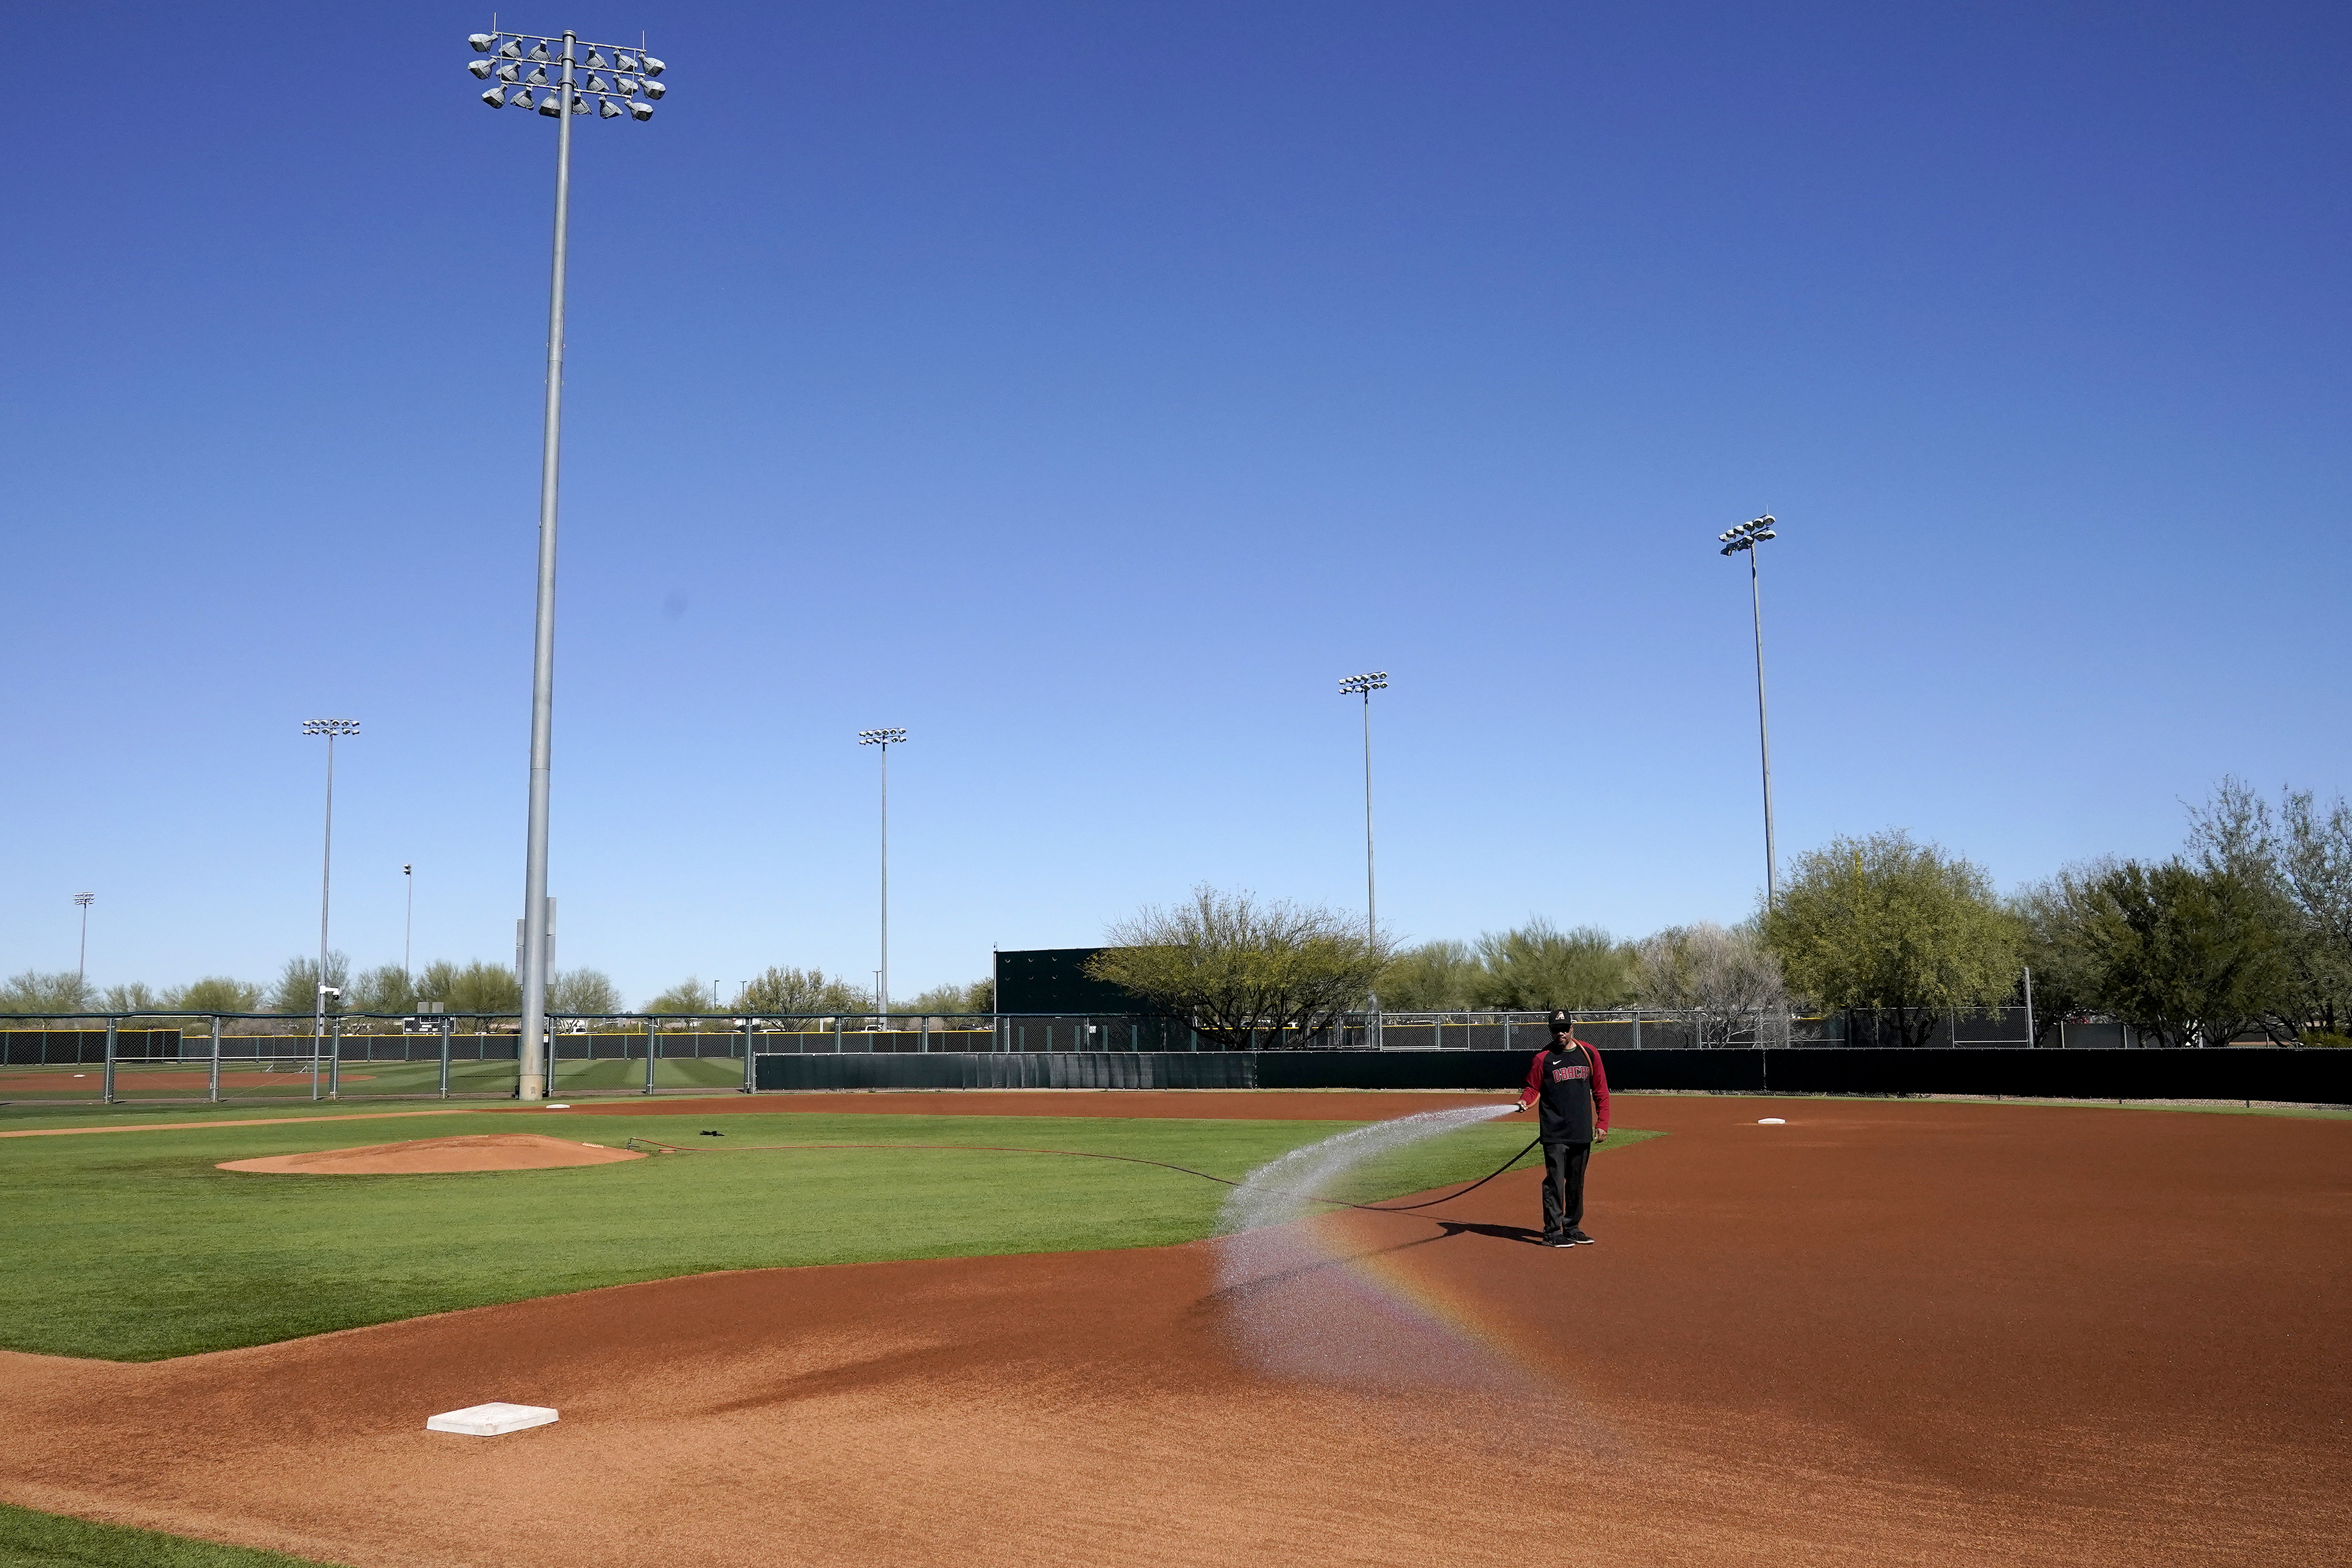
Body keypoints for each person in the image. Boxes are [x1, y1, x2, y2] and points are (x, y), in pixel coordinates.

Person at [1509, 1008, 1611, 1247]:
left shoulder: (1589, 1054)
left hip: (1581, 1130)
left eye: (1565, 1028)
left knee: (1576, 1182)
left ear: (1572, 1028)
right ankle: (1552, 1232)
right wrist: (1525, 1100)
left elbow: (1601, 1090)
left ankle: (1572, 1227)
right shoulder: (1542, 1058)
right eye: (1556, 1030)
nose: (1561, 1033)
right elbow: (1532, 1087)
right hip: (1554, 1131)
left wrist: (1603, 1122)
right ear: (1551, 1031)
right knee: (1554, 1181)